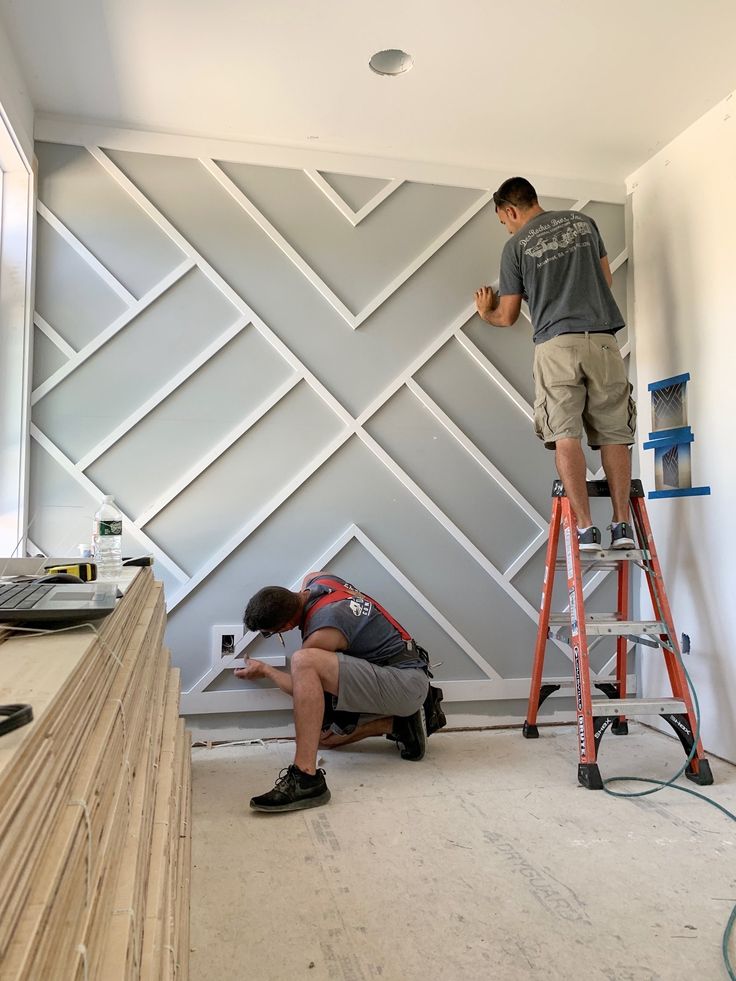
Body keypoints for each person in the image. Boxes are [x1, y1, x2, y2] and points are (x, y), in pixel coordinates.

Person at [474, 176, 637, 551]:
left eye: (504, 220)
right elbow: (606, 280)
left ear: (510, 210)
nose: (508, 226)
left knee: (565, 436)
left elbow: (508, 316)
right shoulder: (584, 223)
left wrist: (486, 312)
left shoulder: (515, 246)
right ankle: (621, 525)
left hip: (555, 345)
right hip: (603, 341)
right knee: (615, 433)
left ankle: (584, 529)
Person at [234, 571, 434, 812]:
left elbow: (301, 688)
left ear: (286, 626)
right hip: (400, 672)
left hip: (404, 684)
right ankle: (399, 725)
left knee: (303, 661)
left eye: (270, 633)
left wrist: (267, 671)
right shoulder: (318, 581)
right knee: (321, 738)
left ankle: (306, 777)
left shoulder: (322, 632)